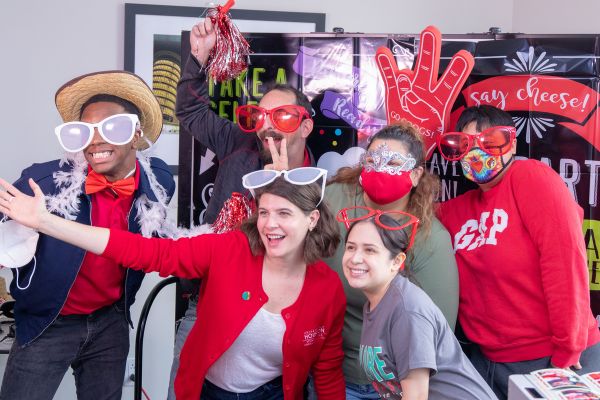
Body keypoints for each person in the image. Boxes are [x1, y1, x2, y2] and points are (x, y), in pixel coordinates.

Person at [0, 167, 346, 400]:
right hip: (206, 392)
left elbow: (327, 374)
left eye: (284, 213)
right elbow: (144, 251)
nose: (270, 224)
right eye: (265, 212)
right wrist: (47, 222)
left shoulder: (328, 290)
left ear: (312, 219)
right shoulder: (231, 248)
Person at [0, 71, 176, 400]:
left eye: (112, 127)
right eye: (86, 131)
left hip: (110, 321)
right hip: (48, 323)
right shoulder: (44, 181)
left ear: (136, 134)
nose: (95, 141)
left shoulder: (159, 181)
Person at [171, 16, 318, 397]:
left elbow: (312, 256)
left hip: (274, 318)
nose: (268, 126)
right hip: (210, 304)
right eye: (261, 117)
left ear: (304, 126)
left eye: (283, 117)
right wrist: (198, 58)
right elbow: (190, 112)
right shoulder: (238, 143)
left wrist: (283, 186)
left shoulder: (319, 186)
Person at [436, 105, 600, 400]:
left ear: (511, 144)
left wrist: (567, 351)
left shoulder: (530, 177)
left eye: (490, 140)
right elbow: (407, 217)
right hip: (485, 364)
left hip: (552, 359)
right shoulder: (455, 210)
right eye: (464, 144)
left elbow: (564, 263)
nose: (477, 152)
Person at [323, 122, 459, 399]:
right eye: (372, 161)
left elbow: (436, 335)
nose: (382, 169)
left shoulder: (429, 238)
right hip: (326, 369)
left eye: (394, 162)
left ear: (417, 174)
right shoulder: (335, 198)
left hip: (390, 384)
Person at [339, 206, 497, 400]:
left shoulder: (407, 311)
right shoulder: (376, 302)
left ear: (397, 261)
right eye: (351, 247)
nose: (355, 258)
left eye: (370, 250)